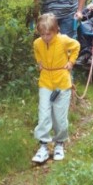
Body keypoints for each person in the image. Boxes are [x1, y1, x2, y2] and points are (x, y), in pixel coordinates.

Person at [32, 13, 80, 163]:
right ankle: (43, 146)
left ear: (56, 30)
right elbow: (37, 52)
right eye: (43, 34)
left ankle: (59, 143)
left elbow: (76, 46)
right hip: (45, 82)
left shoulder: (64, 40)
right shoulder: (37, 43)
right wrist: (39, 62)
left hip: (62, 83)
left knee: (59, 117)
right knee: (44, 114)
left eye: (49, 34)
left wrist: (71, 62)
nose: (46, 37)